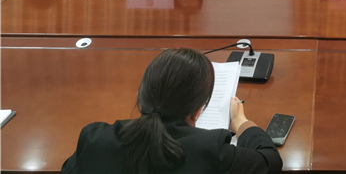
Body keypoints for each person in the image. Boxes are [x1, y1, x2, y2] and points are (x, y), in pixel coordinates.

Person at [62, 48, 283, 174]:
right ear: (198, 111)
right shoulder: (209, 149)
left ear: (141, 96)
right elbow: (270, 161)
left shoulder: (94, 139)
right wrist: (241, 121)